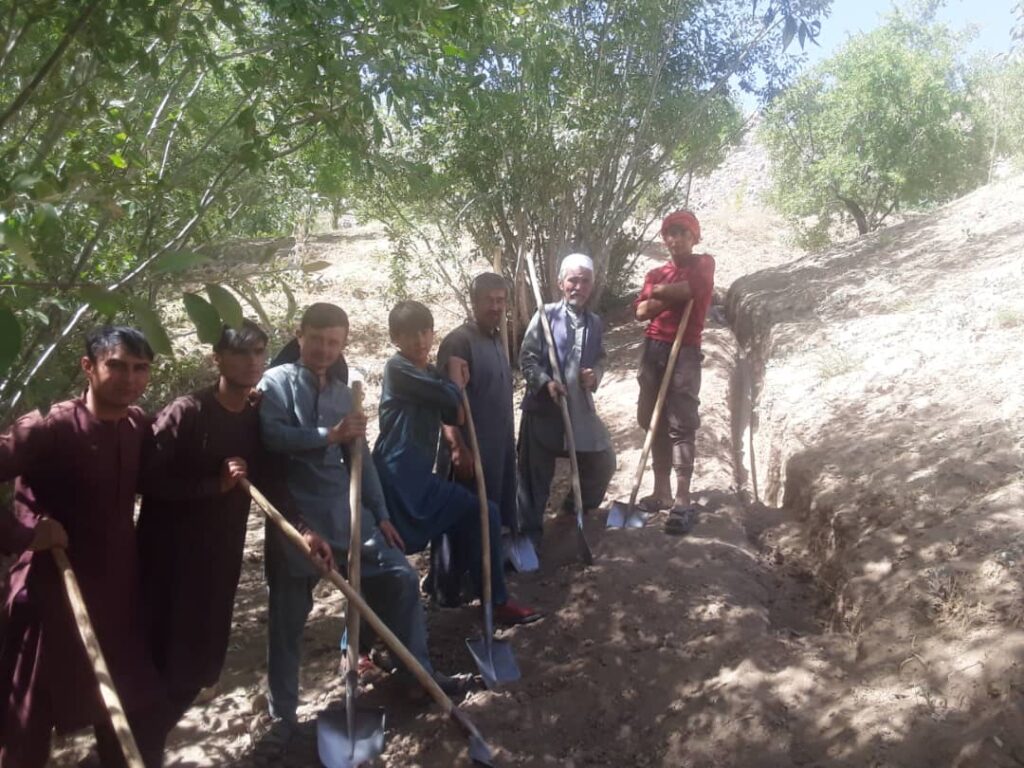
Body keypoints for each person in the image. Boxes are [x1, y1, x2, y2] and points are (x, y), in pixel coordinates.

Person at [257, 303, 458, 736]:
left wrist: (381, 514)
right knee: (288, 620)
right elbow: (271, 436)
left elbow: (359, 457)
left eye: (334, 342)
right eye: (317, 340)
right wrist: (329, 435)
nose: (324, 350)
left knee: (400, 578)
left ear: (343, 344)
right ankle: (282, 718)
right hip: (298, 523)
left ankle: (417, 675)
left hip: (348, 514)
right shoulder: (275, 382)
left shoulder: (343, 393)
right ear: (299, 335)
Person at [137, 320, 333, 733]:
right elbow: (146, 479)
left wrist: (304, 530)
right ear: (218, 359)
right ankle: (135, 746)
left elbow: (273, 483)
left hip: (220, 559)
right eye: (241, 353)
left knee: (200, 664)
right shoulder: (188, 411)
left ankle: (143, 741)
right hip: (167, 560)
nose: (252, 361)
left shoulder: (255, 418)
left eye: (259, 352)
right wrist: (214, 485)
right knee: (156, 659)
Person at [0, 327, 168, 767]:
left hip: (116, 598)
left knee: (127, 712)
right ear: (88, 367)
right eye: (117, 365)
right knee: (26, 727)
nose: (130, 378)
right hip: (51, 593)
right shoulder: (47, 427)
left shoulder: (136, 425)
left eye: (140, 368)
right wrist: (25, 535)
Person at [372, 300, 541, 626]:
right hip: (393, 480)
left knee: (484, 513)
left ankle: (495, 600)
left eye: (425, 331)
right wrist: (453, 382)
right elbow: (451, 399)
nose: (419, 340)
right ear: (394, 338)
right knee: (381, 558)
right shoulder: (398, 369)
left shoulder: (429, 373)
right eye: (409, 334)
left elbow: (457, 414)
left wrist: (453, 386)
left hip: (422, 480)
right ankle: (360, 641)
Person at [517, 253, 616, 548]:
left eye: (585, 281)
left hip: (580, 414)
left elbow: (601, 358)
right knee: (534, 481)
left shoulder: (594, 323)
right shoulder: (545, 315)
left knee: (603, 462)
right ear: (561, 283)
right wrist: (545, 382)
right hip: (544, 413)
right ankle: (529, 539)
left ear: (592, 286)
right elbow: (526, 359)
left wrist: (594, 376)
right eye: (573, 280)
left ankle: (571, 513)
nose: (578, 287)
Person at [433, 273, 519, 602]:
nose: (495, 307)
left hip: (496, 446)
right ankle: (446, 586)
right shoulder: (458, 342)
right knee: (462, 516)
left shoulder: (496, 338)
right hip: (469, 448)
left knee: (488, 514)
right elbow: (445, 402)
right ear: (474, 301)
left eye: (501, 300)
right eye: (489, 300)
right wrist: (457, 446)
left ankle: (480, 577)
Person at [633, 209, 715, 535]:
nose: (675, 239)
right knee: (651, 419)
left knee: (682, 422)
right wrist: (674, 292)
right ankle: (661, 491)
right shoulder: (657, 272)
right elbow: (641, 312)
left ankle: (682, 498)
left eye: (682, 233)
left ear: (694, 237)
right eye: (670, 233)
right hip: (653, 348)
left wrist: (659, 292)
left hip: (685, 351)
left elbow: (692, 289)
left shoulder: (704, 263)